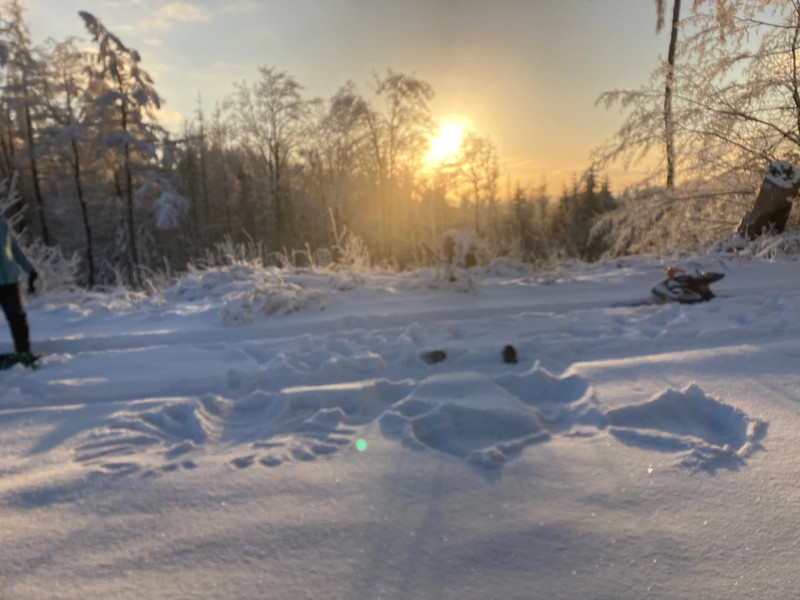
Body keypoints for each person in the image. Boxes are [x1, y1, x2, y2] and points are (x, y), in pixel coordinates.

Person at [0, 216, 37, 355]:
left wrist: (30, 270)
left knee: (17, 317)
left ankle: (23, 352)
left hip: (10, 281)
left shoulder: (3, 226)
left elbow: (16, 251)